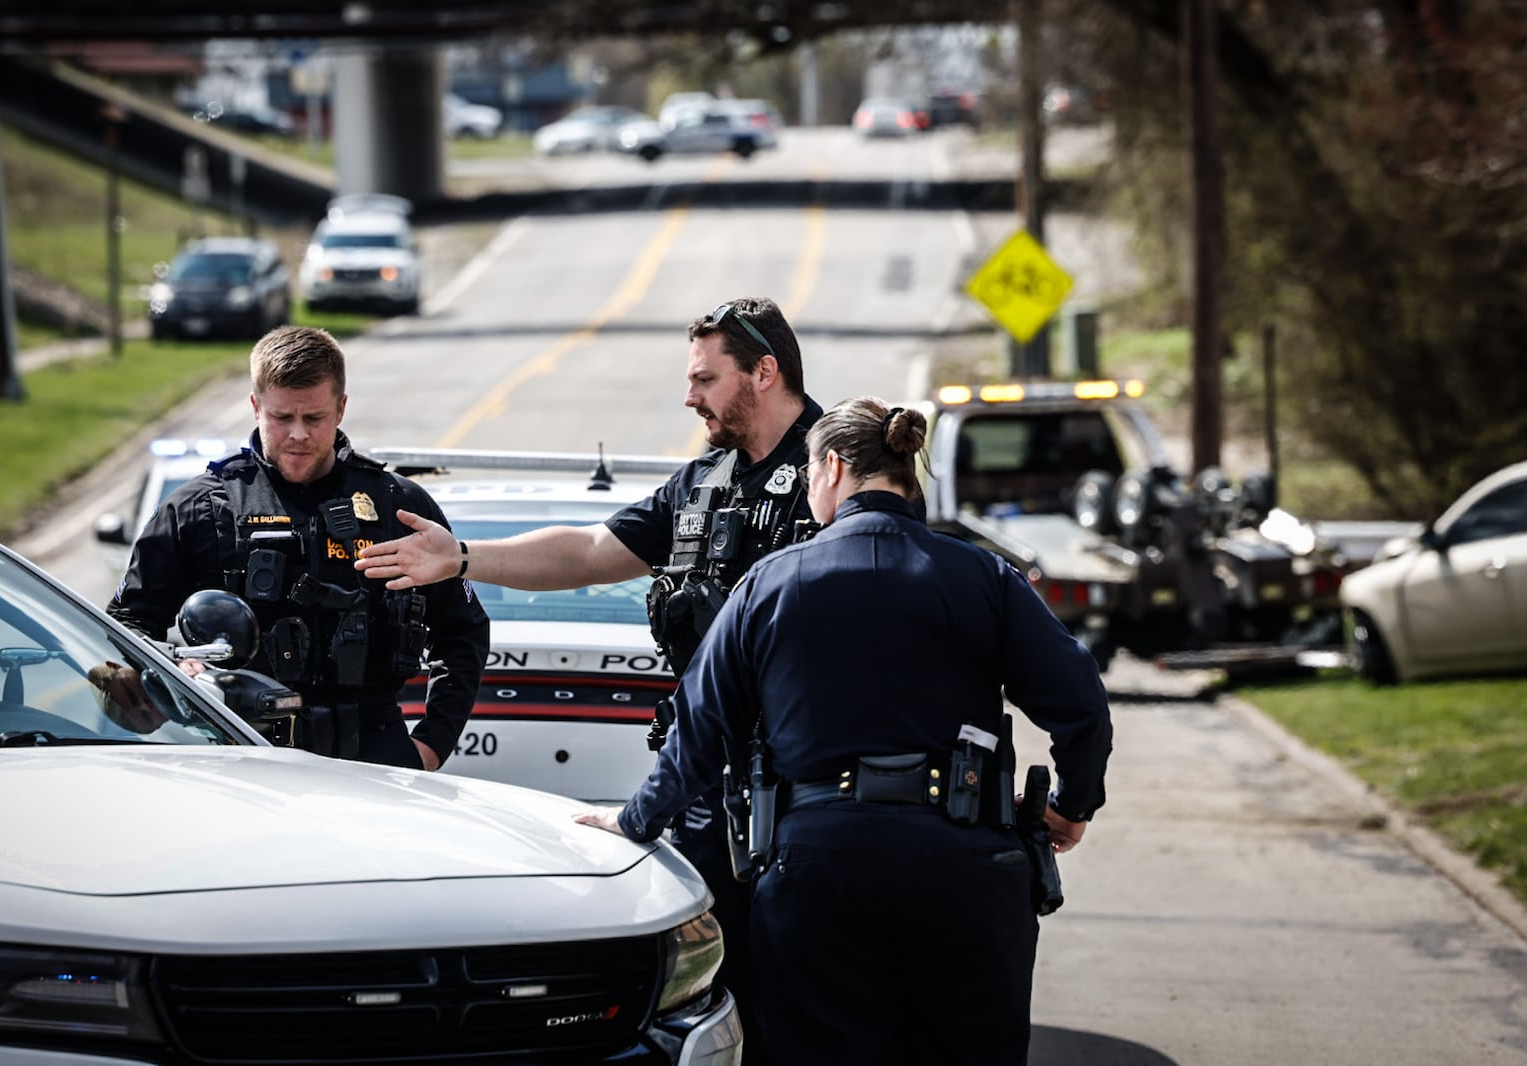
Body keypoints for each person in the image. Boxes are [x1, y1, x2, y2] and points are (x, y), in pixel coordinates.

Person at [574, 396, 1114, 1066]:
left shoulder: (770, 583)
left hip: (818, 876)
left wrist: (635, 821)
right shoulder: (983, 577)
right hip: (967, 869)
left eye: (807, 472)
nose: (806, 487)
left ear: (832, 467)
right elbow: (1082, 704)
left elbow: (700, 729)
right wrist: (1072, 804)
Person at [355, 297, 819, 1061]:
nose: (689, 396)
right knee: (704, 999)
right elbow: (591, 552)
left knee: (804, 1009)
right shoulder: (703, 481)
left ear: (764, 372)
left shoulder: (838, 471)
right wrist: (462, 557)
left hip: (807, 793)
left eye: (705, 378)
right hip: (707, 789)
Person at [108, 325, 490, 771]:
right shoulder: (197, 509)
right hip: (240, 752)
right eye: (281, 418)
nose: (298, 435)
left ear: (341, 408)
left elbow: (463, 631)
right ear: (255, 407)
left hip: (374, 753)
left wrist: (431, 743)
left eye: (314, 418)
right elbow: (125, 625)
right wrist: (179, 671)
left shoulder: (398, 506)